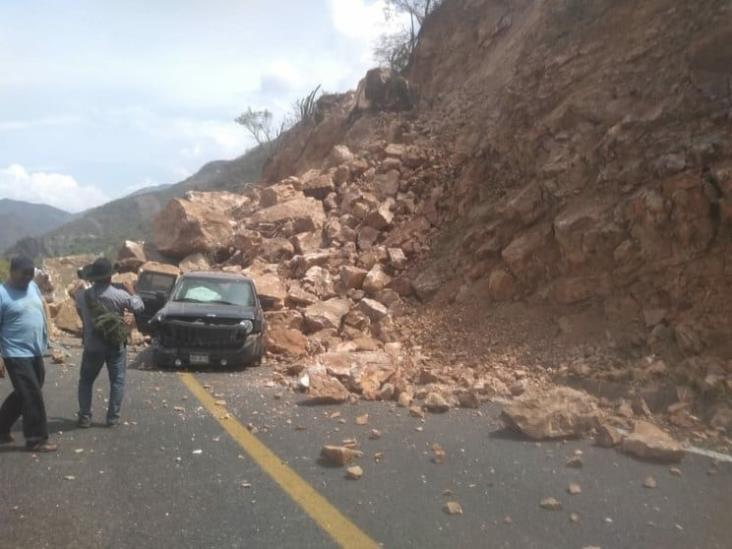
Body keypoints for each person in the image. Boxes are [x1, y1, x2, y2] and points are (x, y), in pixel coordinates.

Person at [75, 257, 143, 428]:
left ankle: (84, 416)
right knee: (117, 381)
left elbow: (79, 310)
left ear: (93, 277)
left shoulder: (83, 296)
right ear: (110, 277)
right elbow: (139, 308)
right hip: (115, 345)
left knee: (86, 381)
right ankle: (112, 418)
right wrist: (132, 291)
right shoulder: (120, 296)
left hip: (92, 346)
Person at [0, 256, 57, 452]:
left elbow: (39, 311)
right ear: (12, 271)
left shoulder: (32, 287)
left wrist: (45, 340)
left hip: (35, 349)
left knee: (26, 391)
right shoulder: (2, 294)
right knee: (32, 394)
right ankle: (36, 438)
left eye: (30, 274)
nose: (27, 278)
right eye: (23, 274)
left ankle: (1, 428)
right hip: (15, 353)